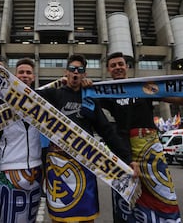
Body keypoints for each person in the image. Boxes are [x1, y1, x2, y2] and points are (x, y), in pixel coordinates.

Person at [100, 52, 183, 222]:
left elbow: (181, 100)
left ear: (127, 67)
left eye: (120, 64)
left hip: (150, 148)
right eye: (113, 66)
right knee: (126, 193)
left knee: (162, 190)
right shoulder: (106, 92)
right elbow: (86, 100)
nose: (117, 67)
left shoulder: (144, 87)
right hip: (123, 149)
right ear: (108, 70)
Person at [38, 54, 139, 223]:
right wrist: (0, 74)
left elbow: (107, 131)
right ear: (66, 72)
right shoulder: (54, 95)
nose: (76, 72)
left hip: (85, 163)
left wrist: (127, 159)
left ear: (84, 74)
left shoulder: (90, 98)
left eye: (80, 70)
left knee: (87, 217)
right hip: (58, 164)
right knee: (59, 217)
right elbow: (24, 96)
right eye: (72, 69)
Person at [0, 58, 43, 223]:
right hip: (9, 167)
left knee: (30, 216)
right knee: (6, 215)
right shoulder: (0, 99)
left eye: (28, 73)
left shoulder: (42, 101)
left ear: (33, 77)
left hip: (35, 168)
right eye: (21, 72)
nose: (25, 75)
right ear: (15, 75)